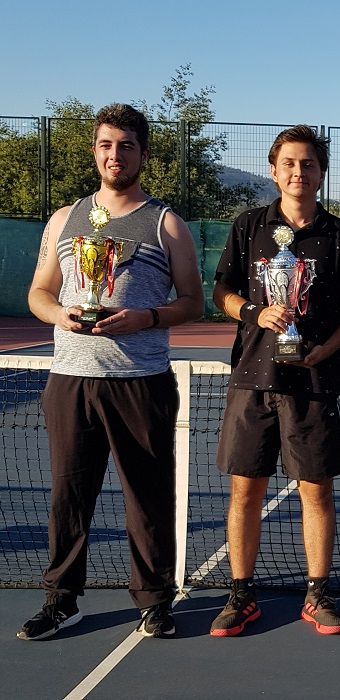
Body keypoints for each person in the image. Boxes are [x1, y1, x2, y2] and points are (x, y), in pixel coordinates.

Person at [21, 103, 204, 640]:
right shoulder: (66, 217)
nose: (114, 154)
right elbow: (39, 292)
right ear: (95, 151)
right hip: (70, 380)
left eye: (126, 145)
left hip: (140, 383)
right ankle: (62, 600)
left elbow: (193, 302)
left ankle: (154, 601)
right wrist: (61, 315)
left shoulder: (166, 222)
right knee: (67, 495)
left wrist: (146, 316)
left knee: (147, 498)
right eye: (106, 144)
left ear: (143, 154)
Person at [209, 125, 340, 636]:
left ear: (321, 173)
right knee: (245, 493)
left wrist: (328, 346)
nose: (299, 172)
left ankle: (318, 594)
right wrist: (254, 313)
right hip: (253, 379)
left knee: (316, 493)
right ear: (274, 170)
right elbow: (222, 292)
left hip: (313, 381)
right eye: (290, 163)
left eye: (309, 164)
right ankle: (241, 596)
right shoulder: (248, 225)